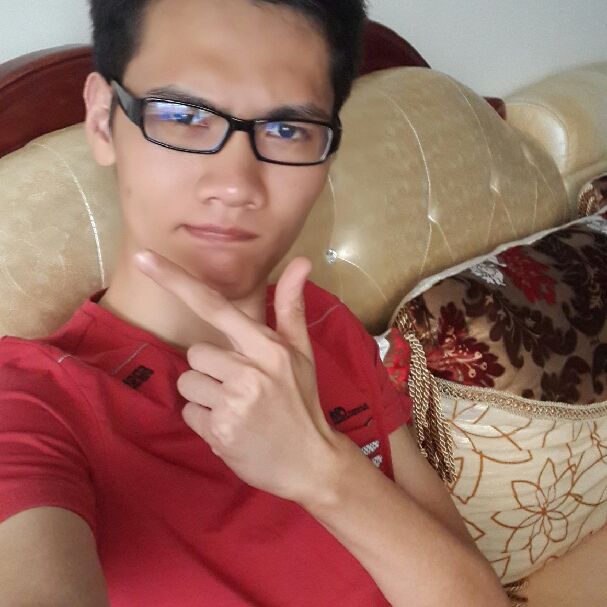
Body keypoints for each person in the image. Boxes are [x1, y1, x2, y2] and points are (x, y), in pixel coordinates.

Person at [0, 0, 509, 605]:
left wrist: (322, 471)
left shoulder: (318, 320)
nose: (235, 184)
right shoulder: (33, 400)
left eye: (288, 130)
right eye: (185, 115)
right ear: (103, 121)